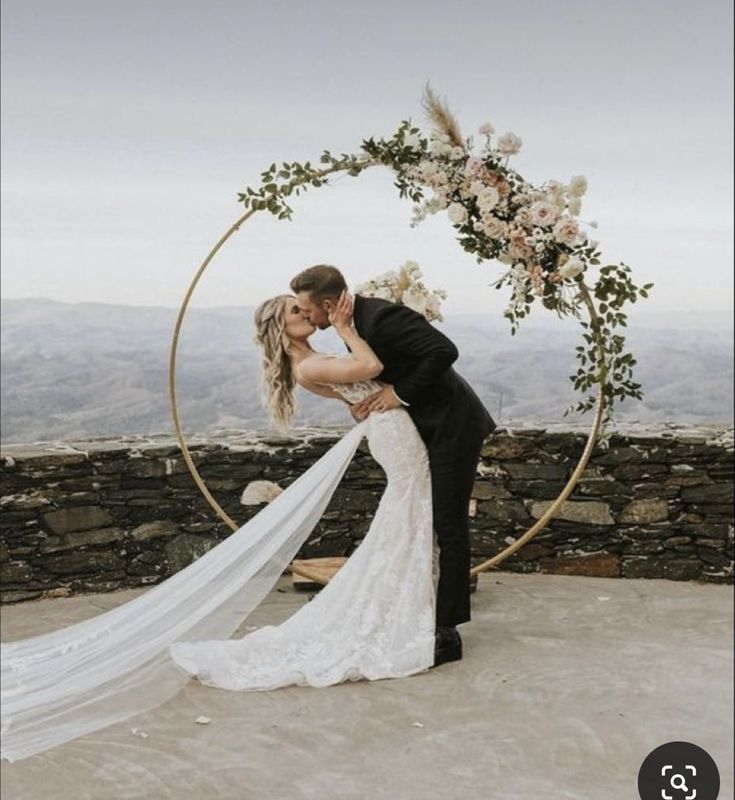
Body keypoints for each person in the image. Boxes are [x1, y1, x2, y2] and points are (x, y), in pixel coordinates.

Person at [167, 289, 440, 688]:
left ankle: (405, 603)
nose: (306, 312)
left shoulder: (308, 361)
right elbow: (372, 364)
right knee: (410, 509)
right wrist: (346, 327)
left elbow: (357, 394)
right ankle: (396, 610)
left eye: (302, 305)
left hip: (388, 429)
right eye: (295, 310)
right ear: (281, 326)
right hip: (394, 434)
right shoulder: (308, 365)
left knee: (408, 513)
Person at [290, 265, 496, 663]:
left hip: (453, 424)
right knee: (431, 519)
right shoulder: (354, 324)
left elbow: (444, 351)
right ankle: (425, 608)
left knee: (449, 523)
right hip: (424, 427)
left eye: (306, 309)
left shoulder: (380, 317)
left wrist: (399, 394)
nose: (307, 316)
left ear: (329, 305)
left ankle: (447, 631)